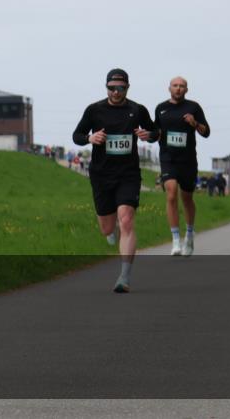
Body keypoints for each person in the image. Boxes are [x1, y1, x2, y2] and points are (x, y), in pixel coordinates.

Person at [72, 68, 158, 292]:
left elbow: (155, 132)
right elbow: (77, 136)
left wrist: (149, 135)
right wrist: (90, 137)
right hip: (101, 175)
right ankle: (111, 232)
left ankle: (124, 277)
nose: (116, 92)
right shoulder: (94, 110)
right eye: (111, 88)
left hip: (128, 174)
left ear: (127, 87)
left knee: (126, 220)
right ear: (106, 88)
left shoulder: (137, 110)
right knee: (106, 228)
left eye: (120, 88)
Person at [154, 76, 210, 257]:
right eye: (175, 85)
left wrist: (195, 123)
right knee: (171, 193)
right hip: (168, 158)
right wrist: (150, 135)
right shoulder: (161, 108)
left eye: (182, 86)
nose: (178, 88)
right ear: (169, 88)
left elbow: (206, 132)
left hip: (187, 160)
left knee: (186, 198)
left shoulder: (194, 107)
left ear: (186, 90)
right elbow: (155, 132)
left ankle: (189, 235)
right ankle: (175, 239)